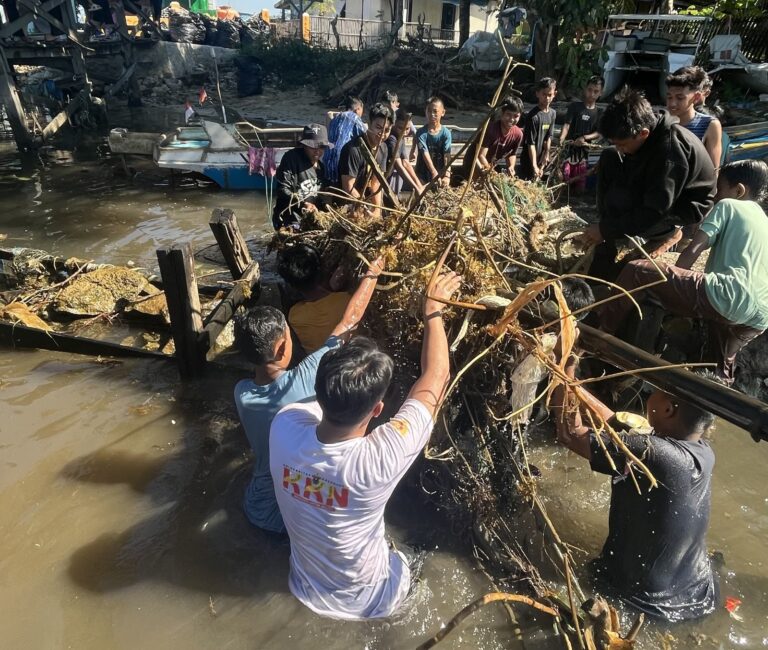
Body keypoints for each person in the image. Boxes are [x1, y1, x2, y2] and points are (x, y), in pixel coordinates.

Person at [270, 271, 462, 619]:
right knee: (419, 549)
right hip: (375, 602)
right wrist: (433, 309)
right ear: (377, 411)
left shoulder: (284, 426)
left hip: (303, 587)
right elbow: (436, 377)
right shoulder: (378, 460)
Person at [551, 351, 717, 622]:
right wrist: (573, 384)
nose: (650, 394)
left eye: (657, 391)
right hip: (696, 592)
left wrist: (562, 367)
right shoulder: (701, 451)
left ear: (668, 410)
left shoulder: (655, 453)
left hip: (646, 604)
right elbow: (617, 424)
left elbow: (570, 434)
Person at [233, 255, 384, 533]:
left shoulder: (241, 392)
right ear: (281, 349)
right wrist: (372, 274)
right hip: (288, 514)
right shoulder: (304, 379)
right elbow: (349, 322)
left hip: (256, 503)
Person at [599, 160, 768, 382]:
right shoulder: (764, 221)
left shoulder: (729, 205)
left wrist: (671, 279)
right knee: (718, 367)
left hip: (729, 295)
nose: (716, 196)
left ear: (738, 190)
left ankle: (598, 333)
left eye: (720, 190)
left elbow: (694, 249)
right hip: (759, 317)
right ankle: (715, 400)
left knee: (636, 270)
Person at [580, 88, 716, 281]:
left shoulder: (669, 152)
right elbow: (624, 157)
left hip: (681, 206)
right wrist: (606, 227)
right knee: (609, 156)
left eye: (623, 144)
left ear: (643, 133)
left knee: (620, 201)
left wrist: (605, 229)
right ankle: (606, 248)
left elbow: (655, 210)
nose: (621, 148)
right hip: (654, 186)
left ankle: (669, 232)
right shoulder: (649, 132)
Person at [278, 243, 359, 354]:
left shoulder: (294, 316)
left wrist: (330, 288)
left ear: (292, 285)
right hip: (351, 358)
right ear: (322, 269)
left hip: (322, 367)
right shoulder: (347, 300)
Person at [338, 102, 394, 217]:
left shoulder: (383, 148)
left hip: (368, 201)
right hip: (350, 203)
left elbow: (376, 183)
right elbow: (348, 187)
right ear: (369, 124)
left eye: (387, 130)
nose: (382, 134)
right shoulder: (353, 149)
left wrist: (376, 210)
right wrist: (362, 208)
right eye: (378, 128)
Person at [272, 124, 331, 230]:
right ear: (304, 145)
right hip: (289, 217)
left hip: (309, 219)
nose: (317, 150)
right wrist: (303, 204)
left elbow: (321, 195)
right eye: (313, 147)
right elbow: (283, 189)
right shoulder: (291, 158)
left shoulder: (321, 168)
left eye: (321, 147)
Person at [666, 66, 723, 170]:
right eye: (669, 97)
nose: (672, 103)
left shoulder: (710, 125)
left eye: (680, 98)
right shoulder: (661, 122)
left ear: (696, 97)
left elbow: (713, 169)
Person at [459, 96, 524, 181]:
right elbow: (480, 156)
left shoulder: (518, 134)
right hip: (473, 162)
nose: (511, 119)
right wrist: (492, 173)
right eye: (508, 114)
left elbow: (511, 154)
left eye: (516, 116)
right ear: (502, 113)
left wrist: (511, 166)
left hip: (491, 165)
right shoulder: (490, 129)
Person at [559, 76, 603, 192]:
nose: (592, 94)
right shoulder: (574, 107)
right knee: (563, 182)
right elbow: (566, 125)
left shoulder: (599, 112)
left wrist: (584, 138)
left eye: (596, 91)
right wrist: (562, 139)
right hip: (568, 151)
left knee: (580, 187)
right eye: (589, 90)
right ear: (585, 89)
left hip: (583, 155)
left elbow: (598, 133)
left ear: (600, 93)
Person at [322, 96, 366, 186]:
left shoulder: (336, 118)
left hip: (327, 164)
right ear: (358, 109)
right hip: (341, 164)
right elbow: (367, 136)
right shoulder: (354, 118)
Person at [519, 77, 556, 181]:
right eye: (544, 94)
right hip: (529, 159)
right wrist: (534, 165)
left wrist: (546, 154)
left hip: (541, 159)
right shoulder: (533, 117)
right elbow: (530, 143)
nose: (547, 98)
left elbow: (549, 136)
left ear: (554, 94)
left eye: (550, 95)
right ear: (537, 94)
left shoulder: (553, 114)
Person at [415, 96, 452, 187]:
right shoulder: (421, 133)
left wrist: (447, 175)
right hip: (423, 174)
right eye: (429, 111)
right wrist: (434, 172)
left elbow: (447, 155)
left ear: (442, 112)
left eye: (435, 111)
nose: (432, 114)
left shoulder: (446, 133)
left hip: (441, 173)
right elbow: (425, 153)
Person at [387, 108, 424, 195]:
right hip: (384, 177)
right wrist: (415, 188)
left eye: (407, 129)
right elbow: (399, 165)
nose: (404, 132)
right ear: (393, 124)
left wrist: (419, 185)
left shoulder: (401, 137)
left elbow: (406, 163)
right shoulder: (391, 138)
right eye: (400, 128)